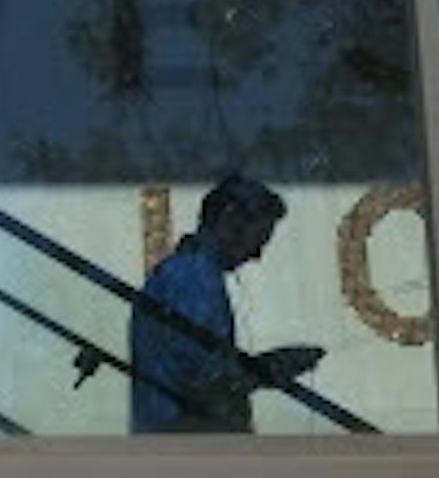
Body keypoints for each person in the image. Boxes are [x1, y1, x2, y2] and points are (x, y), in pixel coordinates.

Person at [128, 174, 324, 433]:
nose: (256, 255)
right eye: (259, 239)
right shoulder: (193, 276)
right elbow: (204, 379)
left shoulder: (186, 273)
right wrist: (270, 368)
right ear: (230, 219)